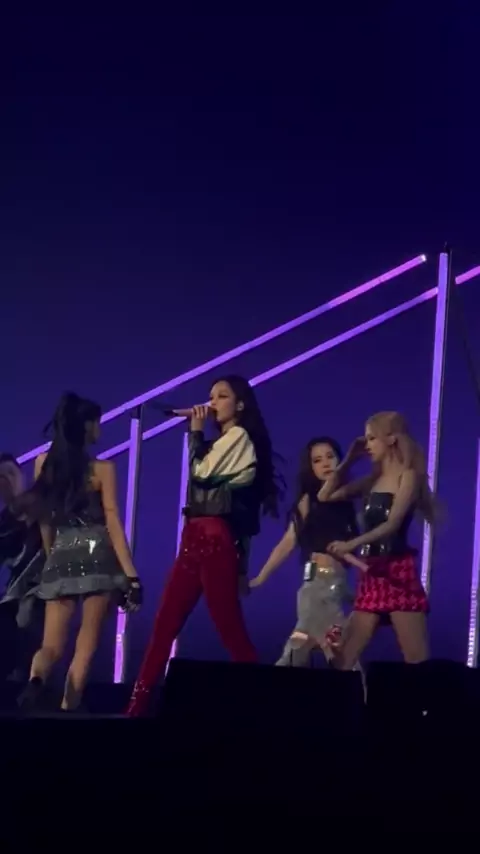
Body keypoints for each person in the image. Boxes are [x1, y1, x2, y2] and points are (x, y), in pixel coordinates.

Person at [127, 374, 284, 717]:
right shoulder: (222, 442)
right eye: (211, 396)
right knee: (164, 626)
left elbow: (201, 473)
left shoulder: (239, 437)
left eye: (221, 396)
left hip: (214, 540)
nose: (212, 403)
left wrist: (195, 432)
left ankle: (262, 705)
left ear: (240, 405)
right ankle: (137, 707)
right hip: (194, 538)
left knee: (229, 628)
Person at [17, 392, 142, 712]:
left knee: (51, 646)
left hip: (62, 552)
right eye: (97, 422)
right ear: (86, 426)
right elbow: (113, 522)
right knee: (85, 645)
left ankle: (36, 679)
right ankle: (67, 711)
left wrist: (52, 556)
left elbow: (45, 519)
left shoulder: (43, 464)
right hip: (98, 556)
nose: (100, 428)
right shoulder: (103, 469)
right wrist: (131, 576)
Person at [323, 411, 434, 668]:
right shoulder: (371, 481)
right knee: (342, 660)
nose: (367, 445)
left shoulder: (408, 476)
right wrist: (348, 460)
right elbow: (325, 496)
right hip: (371, 573)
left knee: (417, 662)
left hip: (397, 572)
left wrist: (351, 544)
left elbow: (392, 523)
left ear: (392, 438)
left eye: (372, 438)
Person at [250, 437, 365, 668]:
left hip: (334, 587)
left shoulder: (347, 502)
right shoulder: (309, 501)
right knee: (343, 653)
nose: (325, 464)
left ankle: (263, 691)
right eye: (317, 460)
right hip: (318, 587)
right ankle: (360, 692)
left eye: (330, 457)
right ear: (310, 467)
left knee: (299, 649)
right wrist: (261, 577)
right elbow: (288, 542)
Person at [0, 453, 45, 682]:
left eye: (11, 473)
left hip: (45, 592)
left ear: (22, 475)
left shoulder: (44, 507)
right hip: (15, 597)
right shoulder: (3, 524)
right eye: (1, 477)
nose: (6, 480)